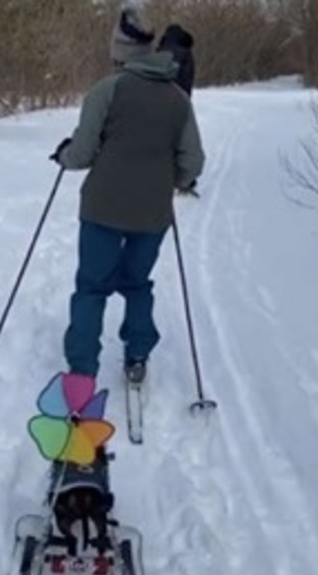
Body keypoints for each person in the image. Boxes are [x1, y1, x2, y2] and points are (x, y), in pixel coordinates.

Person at [49, 7, 206, 385]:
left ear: (119, 51)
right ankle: (137, 355)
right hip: (152, 212)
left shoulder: (107, 90)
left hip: (102, 207)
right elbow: (194, 161)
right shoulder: (177, 98)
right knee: (137, 283)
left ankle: (82, 368)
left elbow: (82, 152)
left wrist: (63, 156)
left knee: (91, 286)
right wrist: (176, 179)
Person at [157, 24, 196, 98]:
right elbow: (188, 74)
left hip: (162, 94)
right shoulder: (186, 52)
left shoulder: (160, 50)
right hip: (181, 93)